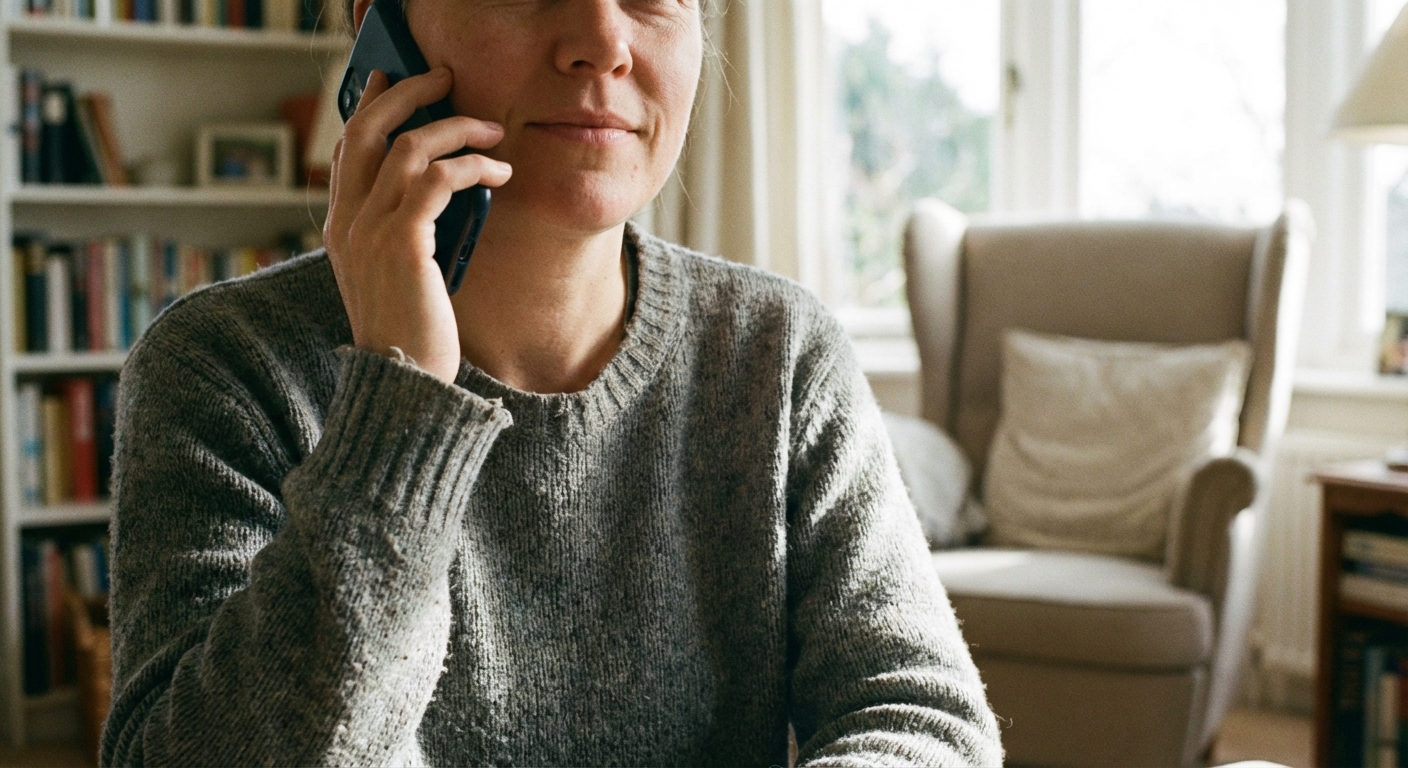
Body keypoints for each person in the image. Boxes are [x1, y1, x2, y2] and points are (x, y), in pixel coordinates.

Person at [101, 0, 1004, 764]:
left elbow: (924, 720)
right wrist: (401, 403)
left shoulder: (780, 353)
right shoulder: (222, 365)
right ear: (383, 35)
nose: (604, 40)